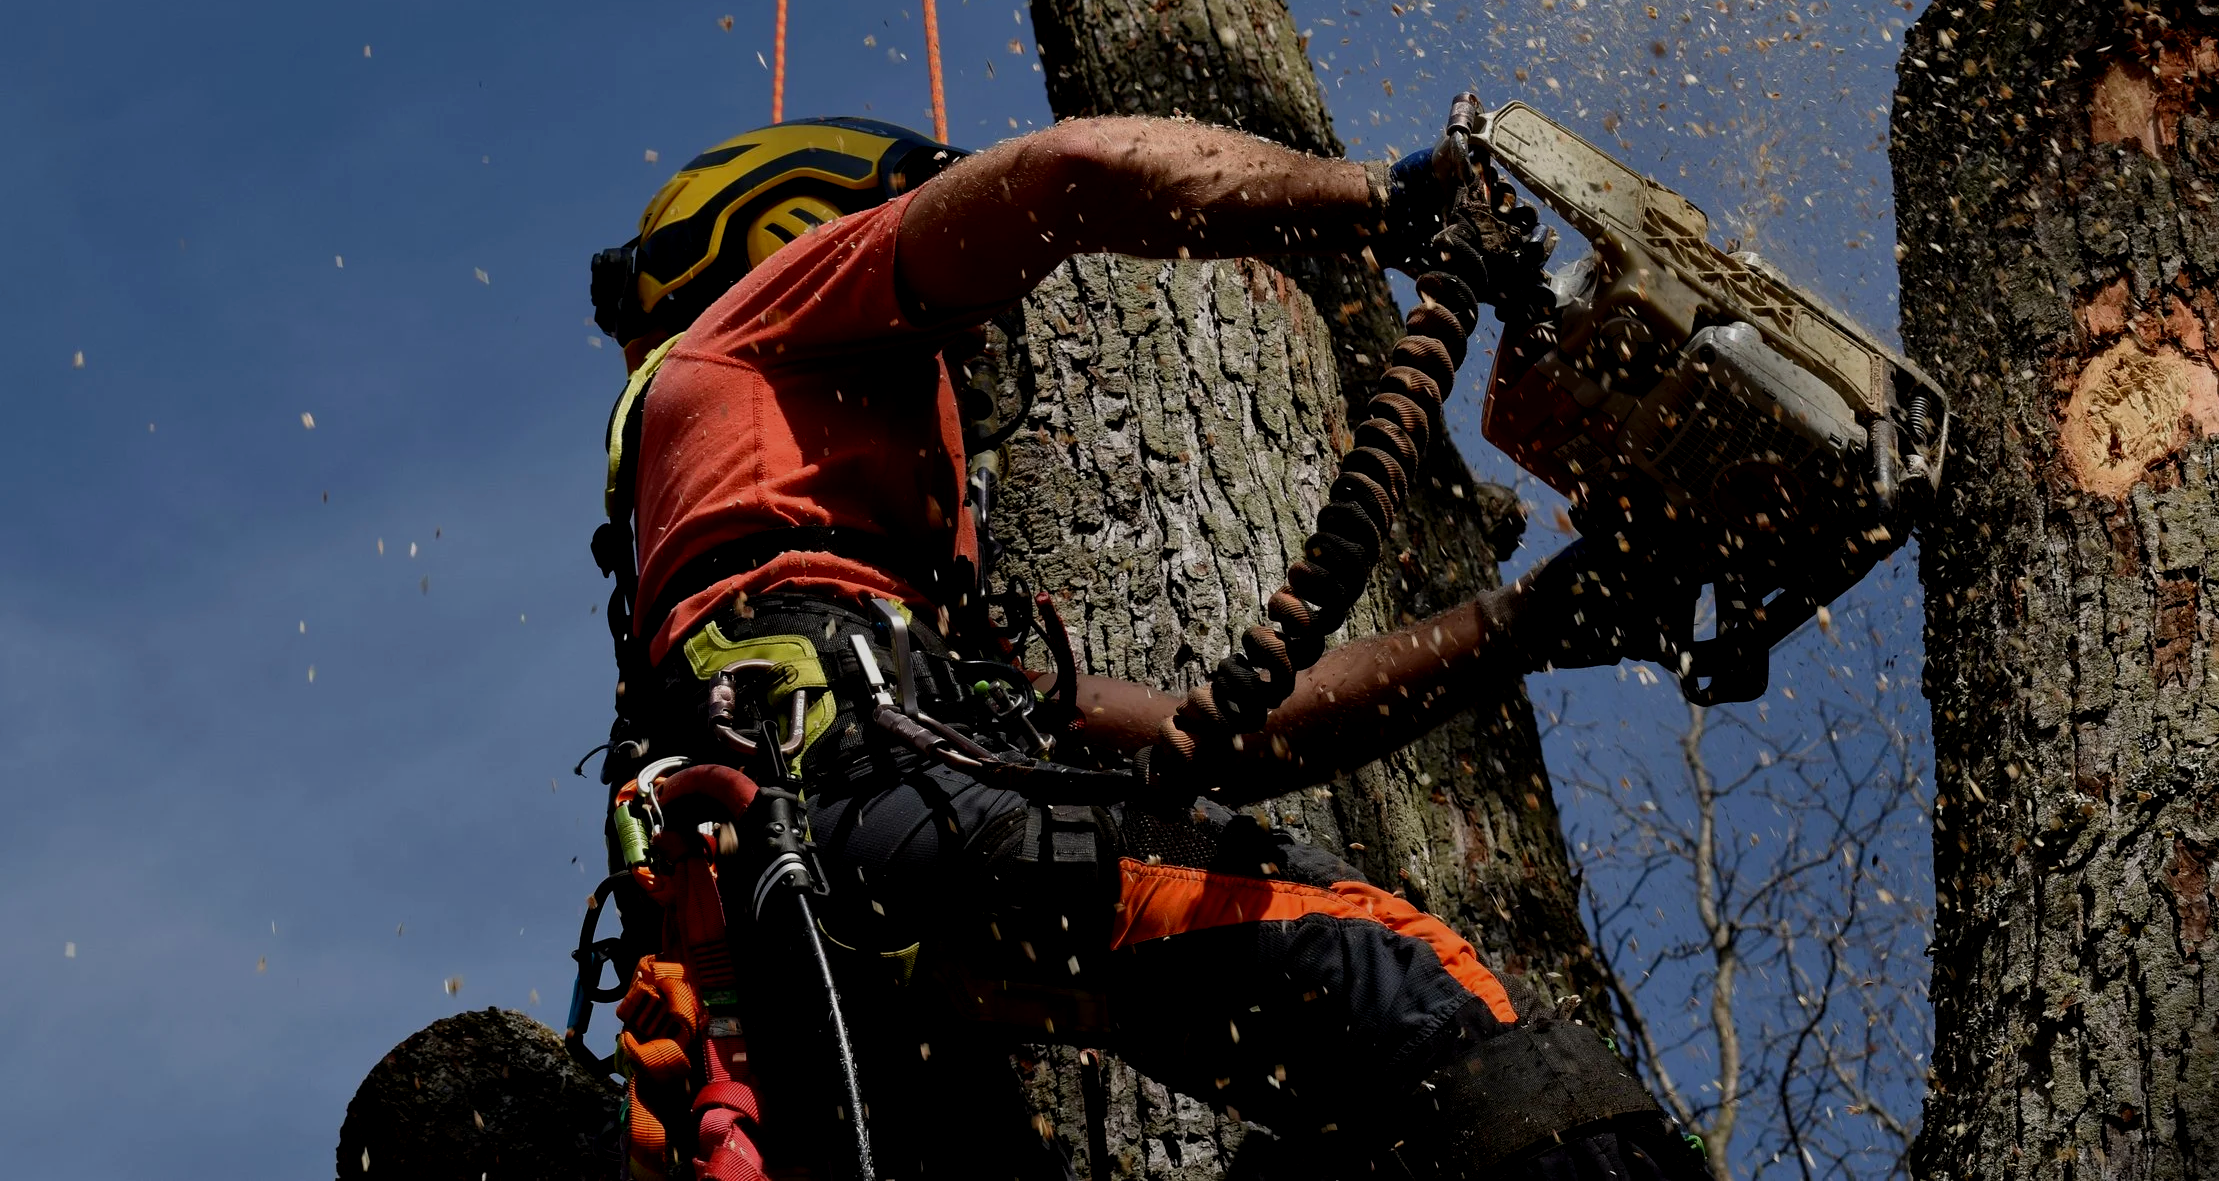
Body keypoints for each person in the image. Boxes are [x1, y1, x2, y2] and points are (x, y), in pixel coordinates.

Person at [586, 113, 1703, 1181]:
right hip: (869, 822)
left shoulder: (834, 625)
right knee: (1410, 989)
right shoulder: (755, 326)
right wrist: (1386, 201)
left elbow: (1224, 733)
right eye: (950, 355)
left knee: (1346, 1129)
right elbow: (1066, 172)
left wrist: (1540, 616)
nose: (959, 393)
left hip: (831, 918)